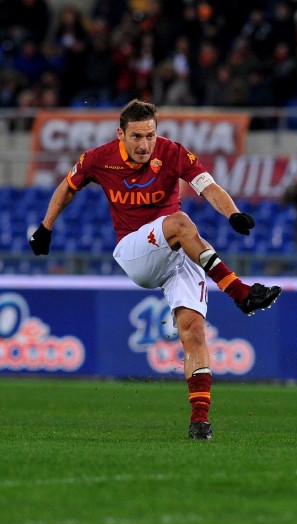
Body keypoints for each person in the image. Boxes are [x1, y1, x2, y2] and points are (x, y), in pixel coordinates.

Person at [28, 99, 282, 441]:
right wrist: (46, 227)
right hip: (135, 250)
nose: (144, 144)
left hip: (178, 251)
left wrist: (232, 213)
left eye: (150, 135)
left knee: (193, 330)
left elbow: (207, 185)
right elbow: (67, 188)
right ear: (121, 134)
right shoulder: (98, 159)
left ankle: (200, 423)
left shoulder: (173, 152)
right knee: (180, 222)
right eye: (136, 136)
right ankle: (239, 291)